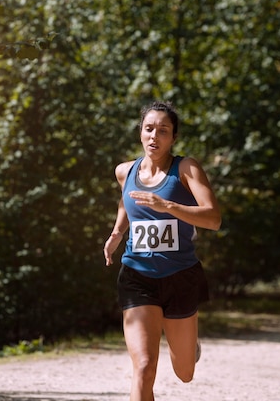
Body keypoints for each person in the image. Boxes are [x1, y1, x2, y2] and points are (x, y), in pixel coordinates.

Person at [103, 101, 221, 401]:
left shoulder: (186, 168)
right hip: (137, 275)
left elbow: (213, 218)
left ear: (173, 138)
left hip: (180, 276)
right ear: (140, 132)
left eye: (163, 131)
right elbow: (127, 200)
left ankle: (189, 346)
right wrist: (118, 231)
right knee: (143, 366)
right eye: (149, 129)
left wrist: (167, 206)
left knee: (184, 373)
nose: (154, 136)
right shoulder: (124, 171)